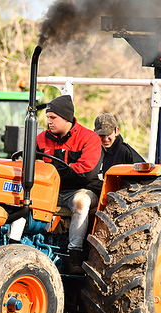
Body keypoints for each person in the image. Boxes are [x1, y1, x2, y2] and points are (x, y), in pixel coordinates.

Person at [37, 94, 102, 274]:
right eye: (47, 117)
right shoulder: (41, 138)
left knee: (81, 202)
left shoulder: (89, 139)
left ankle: (75, 254)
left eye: (53, 118)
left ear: (66, 118)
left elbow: (85, 173)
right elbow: (34, 167)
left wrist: (52, 170)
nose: (48, 121)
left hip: (80, 190)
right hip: (51, 189)